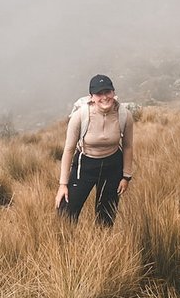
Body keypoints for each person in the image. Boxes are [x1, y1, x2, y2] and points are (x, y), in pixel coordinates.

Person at [56, 74, 133, 227]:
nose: (104, 97)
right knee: (66, 212)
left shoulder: (124, 115)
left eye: (108, 92)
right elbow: (69, 149)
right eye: (99, 93)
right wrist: (63, 185)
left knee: (106, 216)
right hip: (85, 165)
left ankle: (102, 243)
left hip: (112, 166)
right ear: (92, 97)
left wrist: (126, 177)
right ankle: (64, 245)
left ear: (113, 92)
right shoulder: (80, 116)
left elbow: (128, 146)